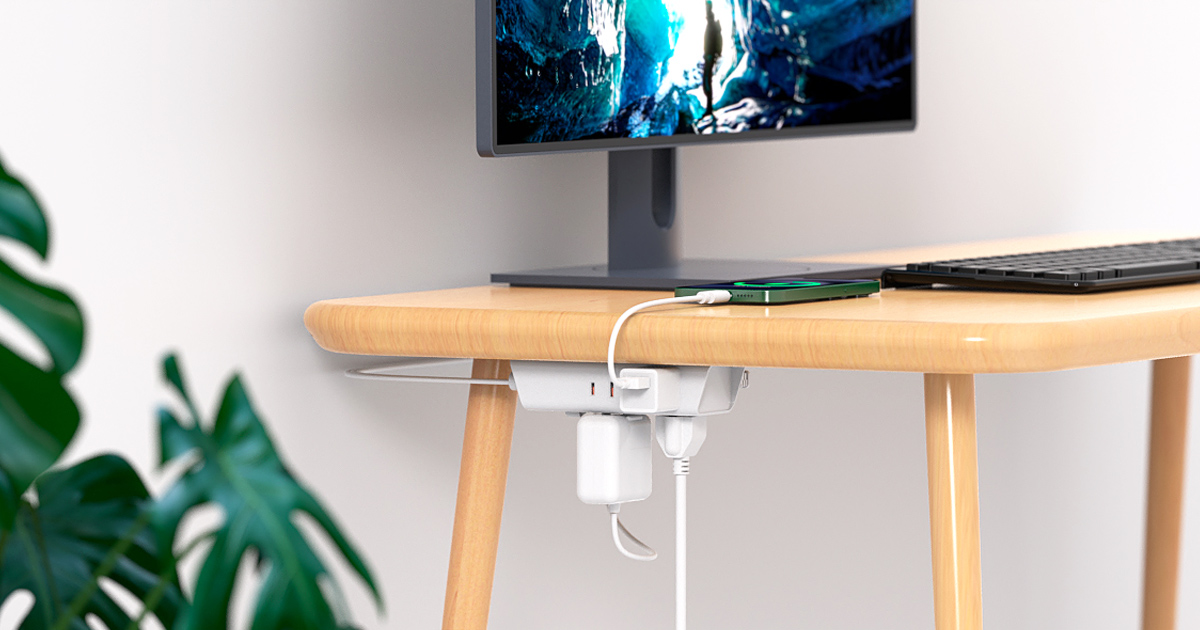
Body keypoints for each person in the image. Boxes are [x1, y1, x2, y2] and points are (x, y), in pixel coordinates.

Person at [702, 0, 723, 120]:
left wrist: (707, 3)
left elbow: (709, 12)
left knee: (707, 82)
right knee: (707, 82)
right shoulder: (713, 27)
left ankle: (709, 108)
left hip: (710, 57)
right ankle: (708, 107)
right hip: (709, 56)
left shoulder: (712, 26)